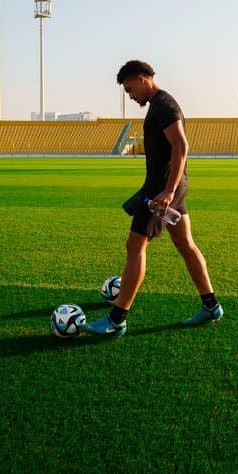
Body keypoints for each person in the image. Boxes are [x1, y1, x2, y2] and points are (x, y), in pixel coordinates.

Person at [84, 60, 223, 337]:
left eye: (130, 89)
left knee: (135, 247)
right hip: (168, 187)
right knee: (185, 244)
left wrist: (168, 192)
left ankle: (117, 319)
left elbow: (181, 145)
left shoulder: (163, 106)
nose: (130, 96)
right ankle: (211, 305)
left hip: (161, 192)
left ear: (141, 79)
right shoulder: (159, 104)